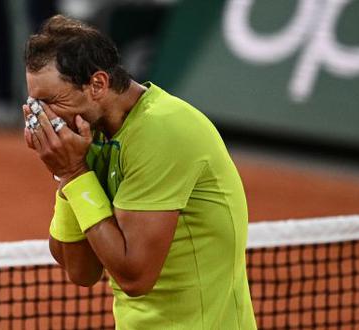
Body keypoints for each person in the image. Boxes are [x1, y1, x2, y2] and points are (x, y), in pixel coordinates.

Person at [22, 15, 257, 329]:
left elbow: (135, 277)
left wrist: (75, 173)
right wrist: (67, 175)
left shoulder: (163, 131)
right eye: (35, 104)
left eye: (50, 101)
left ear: (97, 84)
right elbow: (81, 271)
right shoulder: (92, 136)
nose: (42, 117)